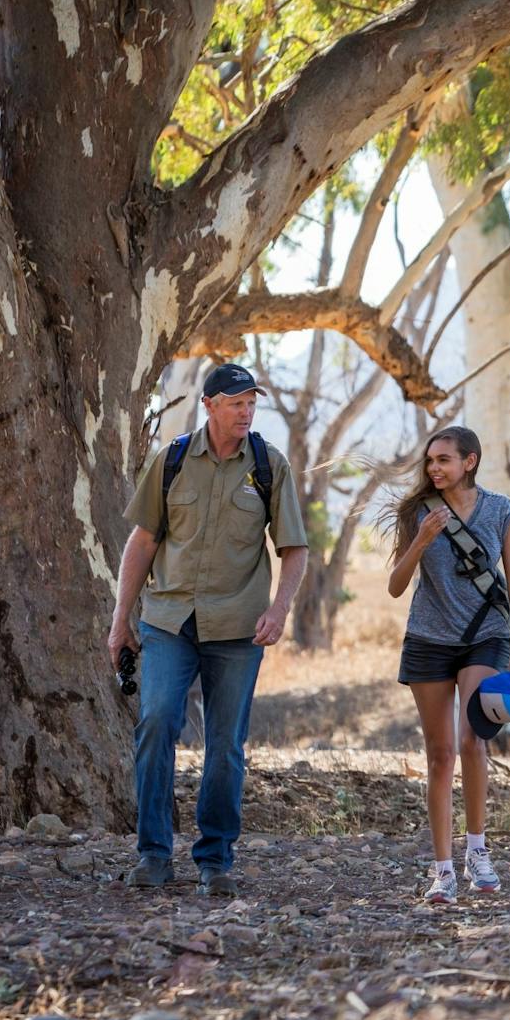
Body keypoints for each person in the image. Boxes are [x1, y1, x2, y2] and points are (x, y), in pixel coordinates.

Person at [106, 363, 308, 896]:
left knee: (225, 745)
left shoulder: (269, 465)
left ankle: (215, 858)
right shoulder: (171, 460)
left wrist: (279, 610)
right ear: (210, 405)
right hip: (169, 619)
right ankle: (153, 854)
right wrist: (119, 620)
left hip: (239, 626)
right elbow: (143, 542)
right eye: (237, 402)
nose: (246, 411)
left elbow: (294, 549)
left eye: (252, 403)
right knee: (156, 722)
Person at [384, 425, 510, 904]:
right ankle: (443, 870)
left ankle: (478, 850)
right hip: (429, 637)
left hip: (486, 635)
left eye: (444, 459)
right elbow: (395, 585)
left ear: (469, 462)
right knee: (440, 754)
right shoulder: (417, 513)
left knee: (473, 739)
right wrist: (421, 541)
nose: (434, 468)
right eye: (431, 461)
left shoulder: (501, 511)